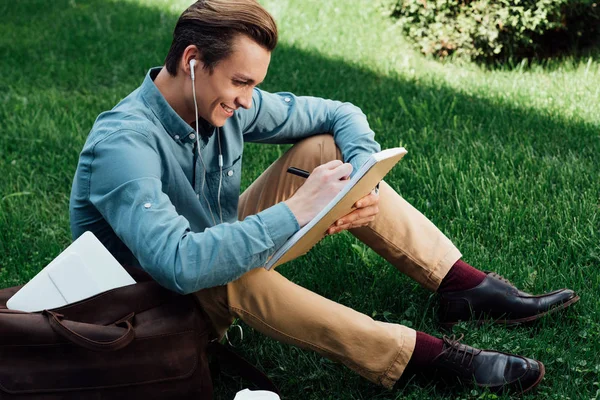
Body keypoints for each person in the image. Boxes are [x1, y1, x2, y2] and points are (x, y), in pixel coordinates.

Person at [69, 0, 579, 395]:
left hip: (207, 255)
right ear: (193, 61)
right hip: (147, 309)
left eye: (254, 85)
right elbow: (178, 263)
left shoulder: (223, 99)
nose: (248, 100)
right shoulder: (124, 144)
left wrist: (358, 182)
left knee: (322, 148)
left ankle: (462, 286)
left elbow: (342, 114)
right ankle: (420, 356)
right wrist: (297, 210)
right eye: (241, 82)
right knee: (226, 271)